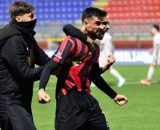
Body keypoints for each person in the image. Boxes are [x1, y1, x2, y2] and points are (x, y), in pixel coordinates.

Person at [38, 7, 128, 130]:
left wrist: (113, 95)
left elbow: (94, 76)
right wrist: (41, 89)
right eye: (98, 23)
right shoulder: (71, 42)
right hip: (68, 100)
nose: (103, 27)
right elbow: (49, 66)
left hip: (88, 100)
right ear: (86, 23)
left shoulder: (95, 48)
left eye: (105, 24)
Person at [0, 1, 50, 130]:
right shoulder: (13, 39)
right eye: (31, 16)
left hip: (22, 99)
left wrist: (64, 60)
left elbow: (45, 61)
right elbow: (25, 73)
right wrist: (51, 67)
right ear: (18, 18)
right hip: (8, 100)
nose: (35, 19)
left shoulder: (27, 37)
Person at [63, 17, 126, 87]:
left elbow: (102, 44)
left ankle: (120, 79)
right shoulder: (107, 36)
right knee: (102, 68)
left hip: (106, 54)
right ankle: (95, 80)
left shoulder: (106, 37)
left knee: (105, 68)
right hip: (104, 53)